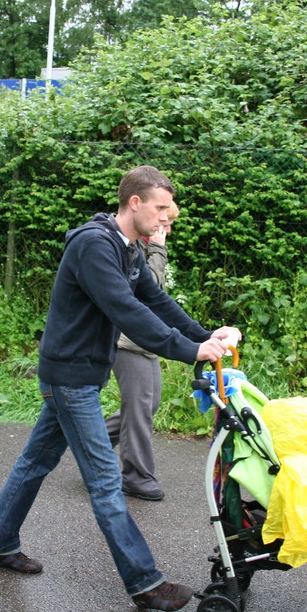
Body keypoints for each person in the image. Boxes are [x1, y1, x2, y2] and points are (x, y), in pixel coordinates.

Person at [0, 165, 241, 612]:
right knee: (104, 482)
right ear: (134, 202)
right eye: (161, 208)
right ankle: (145, 582)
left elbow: (154, 301)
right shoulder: (94, 245)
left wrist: (205, 336)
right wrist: (190, 350)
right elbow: (125, 310)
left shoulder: (127, 248)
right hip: (69, 378)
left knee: (36, 462)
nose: (166, 217)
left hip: (79, 374)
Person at [106, 201, 179, 502]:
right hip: (126, 341)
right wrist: (159, 250)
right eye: (165, 223)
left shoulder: (146, 248)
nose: (168, 229)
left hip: (146, 342)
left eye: (170, 223)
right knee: (139, 408)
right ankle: (137, 477)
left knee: (148, 405)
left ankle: (91, 440)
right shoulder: (135, 248)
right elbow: (150, 292)